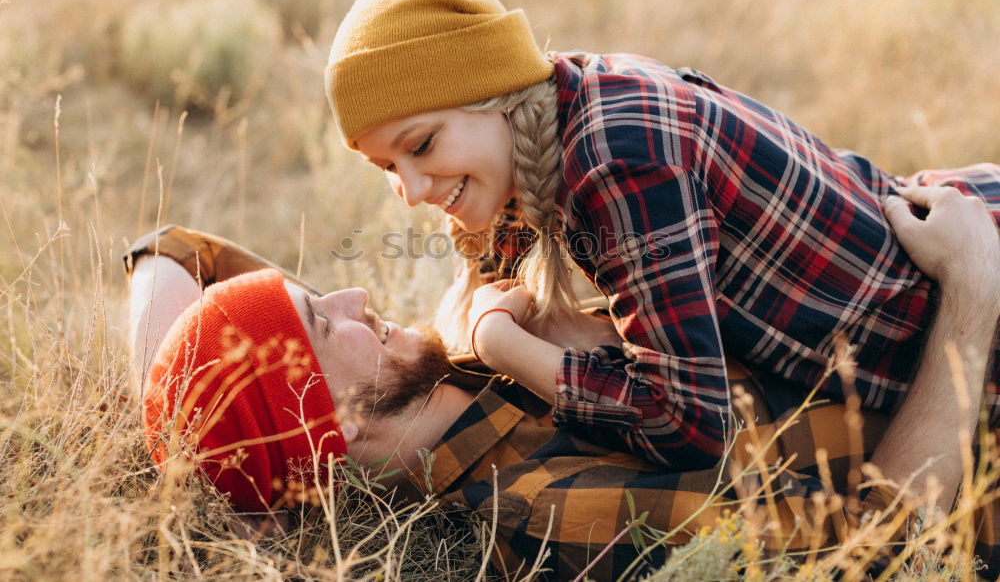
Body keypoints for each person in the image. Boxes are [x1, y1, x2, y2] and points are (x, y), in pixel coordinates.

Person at [323, 0, 1000, 472]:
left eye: (420, 146)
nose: (409, 190)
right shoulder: (546, 121)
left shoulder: (616, 163)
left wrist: (507, 346)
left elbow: (688, 423)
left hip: (966, 325)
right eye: (388, 168)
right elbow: (478, 303)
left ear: (492, 90)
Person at [129, 189, 1000, 579]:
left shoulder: (449, 350)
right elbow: (891, 545)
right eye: (327, 319)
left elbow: (186, 248)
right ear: (329, 428)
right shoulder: (550, 512)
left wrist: (167, 419)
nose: (356, 296)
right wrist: (971, 296)